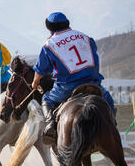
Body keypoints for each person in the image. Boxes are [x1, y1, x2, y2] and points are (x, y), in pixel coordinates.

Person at [31, 12, 115, 144]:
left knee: (47, 99)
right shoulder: (85, 37)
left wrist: (35, 83)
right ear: (67, 23)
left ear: (49, 28)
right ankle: (111, 123)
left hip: (67, 87)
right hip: (92, 82)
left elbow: (40, 70)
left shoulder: (49, 45)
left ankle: (50, 126)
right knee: (108, 99)